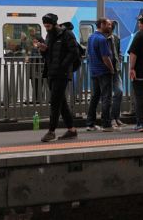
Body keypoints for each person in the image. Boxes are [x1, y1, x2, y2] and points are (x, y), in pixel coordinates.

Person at [37, 13, 79, 142]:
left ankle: (51, 131)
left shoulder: (67, 34)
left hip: (62, 73)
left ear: (55, 24)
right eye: (45, 26)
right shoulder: (49, 35)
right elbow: (49, 56)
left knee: (55, 101)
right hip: (51, 72)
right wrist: (43, 50)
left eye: (48, 25)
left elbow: (74, 53)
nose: (46, 28)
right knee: (61, 102)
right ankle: (71, 130)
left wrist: (63, 66)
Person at [85, 18, 115, 132]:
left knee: (95, 97)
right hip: (104, 72)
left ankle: (90, 123)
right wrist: (111, 69)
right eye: (108, 24)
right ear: (101, 24)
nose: (110, 26)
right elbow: (105, 57)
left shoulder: (91, 37)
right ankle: (106, 124)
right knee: (107, 98)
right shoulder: (102, 39)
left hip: (94, 71)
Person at [108, 22, 125, 128]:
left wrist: (119, 59)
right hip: (105, 70)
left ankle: (116, 117)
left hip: (116, 69)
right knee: (107, 95)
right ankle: (111, 119)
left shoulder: (116, 38)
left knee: (119, 91)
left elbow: (118, 51)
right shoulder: (102, 39)